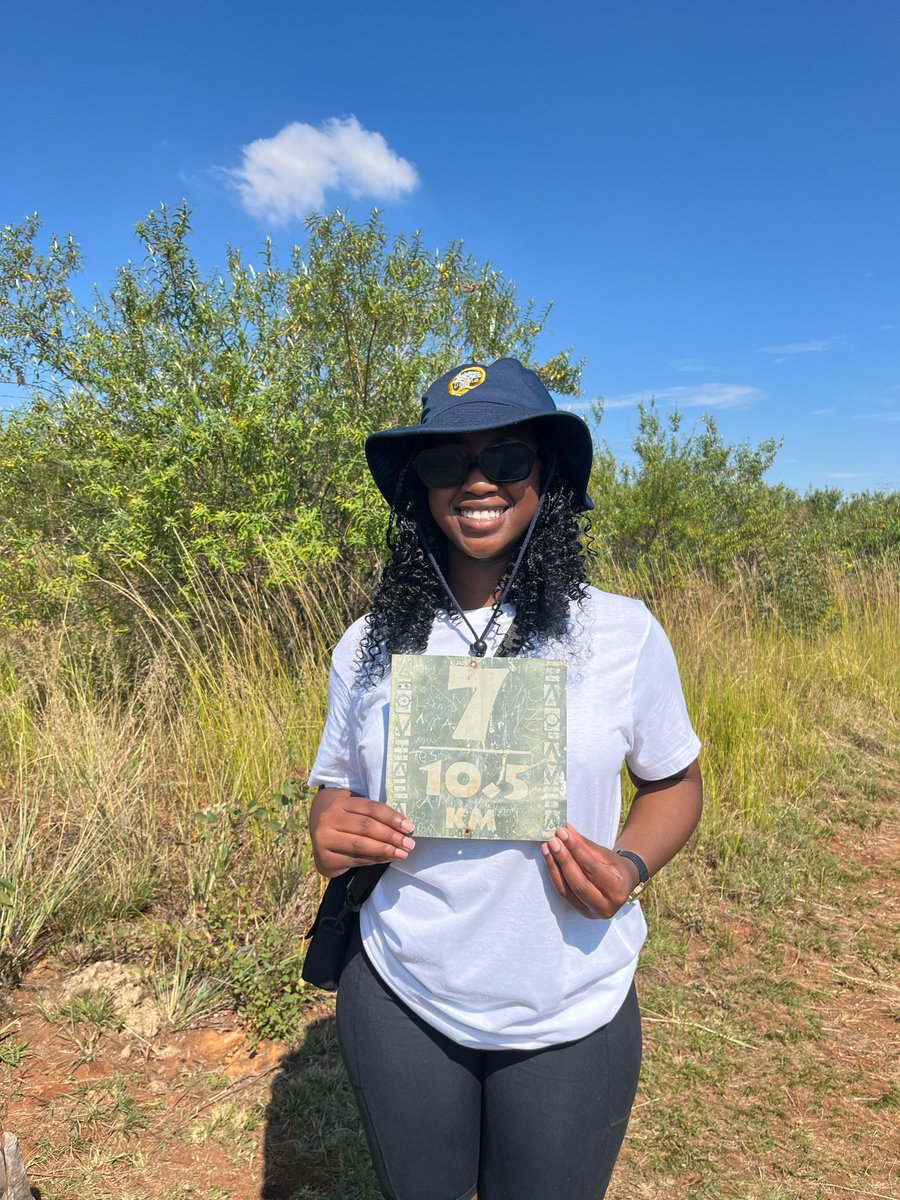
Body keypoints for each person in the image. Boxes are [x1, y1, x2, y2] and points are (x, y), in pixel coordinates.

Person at [308, 358, 703, 1200]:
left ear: (548, 474)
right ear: (419, 486)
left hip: (571, 1004)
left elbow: (674, 785)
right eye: (448, 462)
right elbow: (334, 788)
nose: (477, 481)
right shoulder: (366, 646)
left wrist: (628, 867)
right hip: (403, 993)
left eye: (508, 458)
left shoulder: (621, 633)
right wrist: (329, 826)